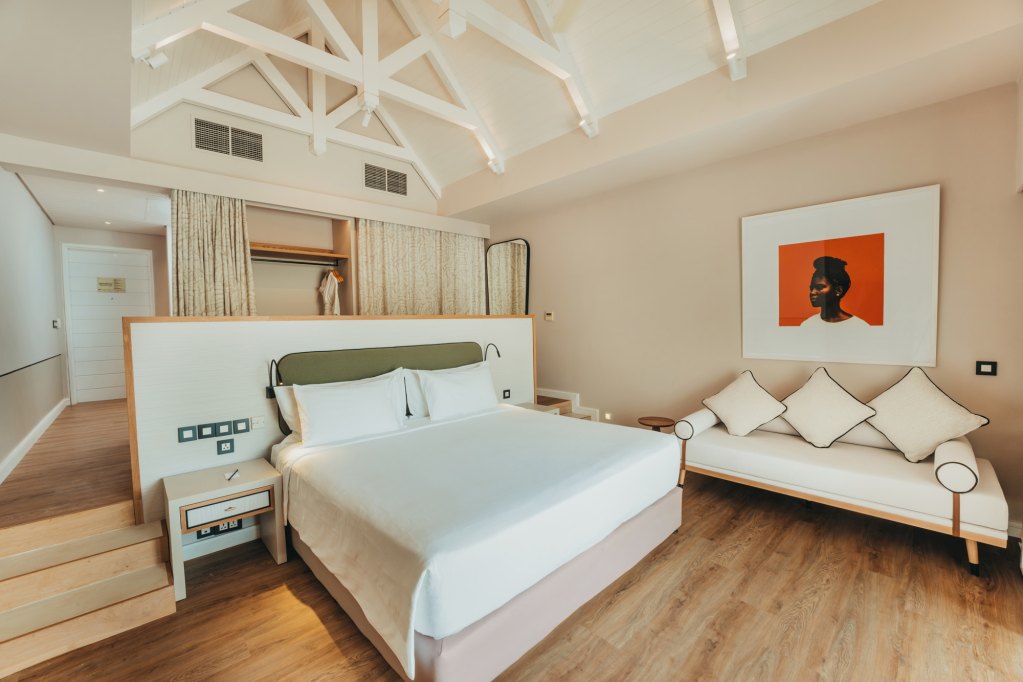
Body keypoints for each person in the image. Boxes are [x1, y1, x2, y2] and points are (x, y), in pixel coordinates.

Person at [800, 256, 869, 327]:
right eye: (811, 288)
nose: (812, 292)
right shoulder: (808, 325)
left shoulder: (859, 326)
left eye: (819, 287)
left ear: (838, 290)